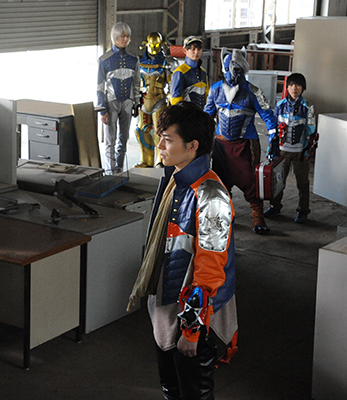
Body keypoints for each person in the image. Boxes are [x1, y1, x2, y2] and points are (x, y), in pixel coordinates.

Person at [128, 102, 238, 400]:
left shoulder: (211, 195)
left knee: (194, 393)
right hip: (167, 305)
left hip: (193, 317)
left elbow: (210, 269)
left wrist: (191, 329)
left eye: (167, 139)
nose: (159, 146)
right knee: (171, 388)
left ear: (192, 146)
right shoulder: (175, 180)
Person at [204, 48, 278, 235]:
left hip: (245, 144)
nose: (233, 75)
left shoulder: (253, 92)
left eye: (237, 70)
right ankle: (225, 215)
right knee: (220, 183)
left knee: (250, 181)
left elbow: (268, 115)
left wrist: (274, 137)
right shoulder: (215, 89)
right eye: (230, 69)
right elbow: (207, 115)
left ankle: (257, 216)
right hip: (221, 144)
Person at [264, 73, 316, 223]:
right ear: (287, 87)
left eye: (298, 85)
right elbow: (274, 127)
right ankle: (275, 207)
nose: (294, 88)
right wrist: (271, 148)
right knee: (278, 181)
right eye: (292, 85)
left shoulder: (308, 107)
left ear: (303, 88)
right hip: (282, 151)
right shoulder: (280, 105)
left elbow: (311, 131)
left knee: (303, 183)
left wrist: (307, 151)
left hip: (300, 152)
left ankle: (303, 211)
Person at [97, 22, 140, 173]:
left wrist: (136, 103)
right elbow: (100, 86)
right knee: (110, 139)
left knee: (124, 138)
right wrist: (102, 109)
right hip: (111, 102)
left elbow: (136, 83)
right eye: (122, 36)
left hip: (128, 102)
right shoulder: (105, 59)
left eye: (127, 36)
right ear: (115, 36)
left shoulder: (133, 59)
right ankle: (110, 171)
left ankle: (119, 169)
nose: (125, 39)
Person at [134, 32, 176, 168]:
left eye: (156, 46)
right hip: (143, 101)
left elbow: (172, 84)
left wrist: (171, 100)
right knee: (141, 130)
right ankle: (146, 160)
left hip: (159, 101)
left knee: (160, 131)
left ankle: (160, 160)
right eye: (151, 45)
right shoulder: (138, 62)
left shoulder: (167, 62)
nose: (153, 48)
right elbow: (135, 83)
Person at [169, 36, 208, 107]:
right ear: (185, 51)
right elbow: (175, 99)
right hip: (185, 113)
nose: (196, 52)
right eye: (193, 49)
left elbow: (207, 95)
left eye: (199, 49)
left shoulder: (203, 72)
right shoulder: (180, 72)